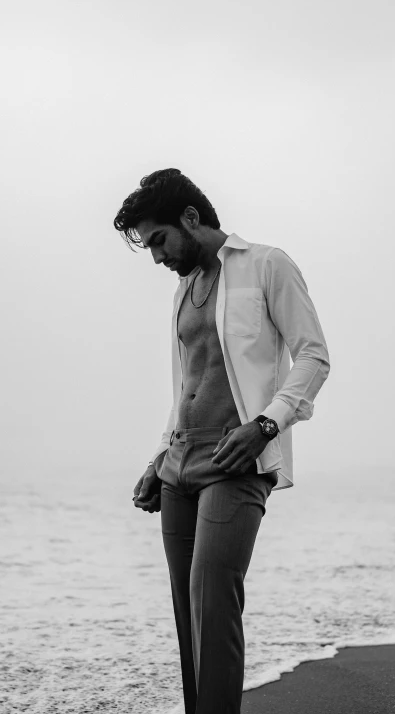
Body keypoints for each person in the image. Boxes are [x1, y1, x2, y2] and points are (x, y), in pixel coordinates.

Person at [113, 168, 330, 714]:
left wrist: (267, 424)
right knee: (189, 619)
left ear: (191, 218)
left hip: (237, 461)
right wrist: (158, 455)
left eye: (159, 240)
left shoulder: (266, 265)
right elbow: (187, 382)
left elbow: (313, 356)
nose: (158, 257)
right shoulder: (184, 290)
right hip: (178, 465)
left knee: (213, 605)